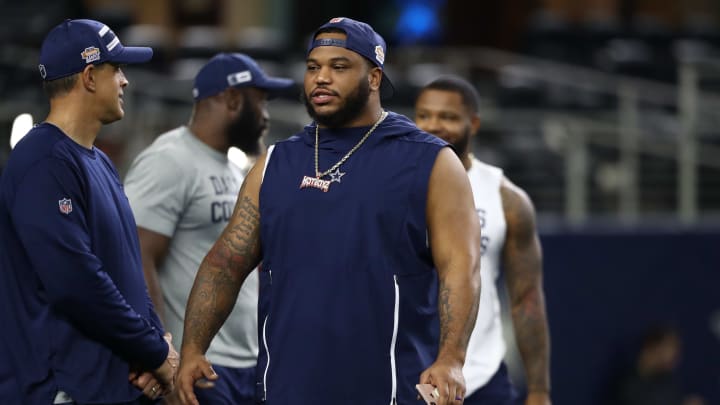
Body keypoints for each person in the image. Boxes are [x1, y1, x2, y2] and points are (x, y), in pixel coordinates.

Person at [172, 17, 482, 405]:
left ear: (373, 78)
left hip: (386, 389)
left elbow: (461, 267)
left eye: (339, 67)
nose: (321, 78)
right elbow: (224, 264)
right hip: (286, 388)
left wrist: (451, 359)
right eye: (313, 67)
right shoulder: (274, 163)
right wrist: (193, 349)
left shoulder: (430, 161)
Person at [0, 19, 178, 404]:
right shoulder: (42, 162)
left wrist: (156, 344)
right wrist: (154, 353)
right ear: (90, 77)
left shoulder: (98, 160)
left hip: (112, 383)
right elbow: (76, 284)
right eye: (118, 69)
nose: (125, 82)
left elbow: (124, 266)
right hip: (64, 388)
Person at [123, 52, 294, 404]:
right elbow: (135, 256)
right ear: (233, 99)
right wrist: (162, 355)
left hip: (247, 363)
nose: (265, 117)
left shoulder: (234, 168)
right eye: (260, 103)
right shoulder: (169, 158)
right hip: (199, 364)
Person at [414, 75, 551, 405]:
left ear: (473, 123)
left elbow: (526, 299)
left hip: (480, 377)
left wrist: (538, 390)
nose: (433, 125)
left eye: (447, 117)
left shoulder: (505, 197)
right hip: (407, 371)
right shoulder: (390, 187)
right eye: (424, 116)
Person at [614, 324, 706, 405]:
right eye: (670, 348)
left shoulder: (668, 382)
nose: (676, 355)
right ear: (652, 347)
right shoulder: (628, 384)